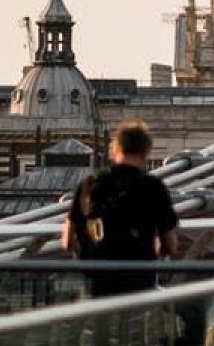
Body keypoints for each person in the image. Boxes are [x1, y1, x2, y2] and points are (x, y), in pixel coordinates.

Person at [62, 121, 180, 297]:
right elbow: (170, 244)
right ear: (146, 153)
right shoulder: (154, 187)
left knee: (99, 323)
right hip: (139, 283)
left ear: (115, 150)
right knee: (136, 322)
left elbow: (67, 241)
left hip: (97, 284)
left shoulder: (90, 184)